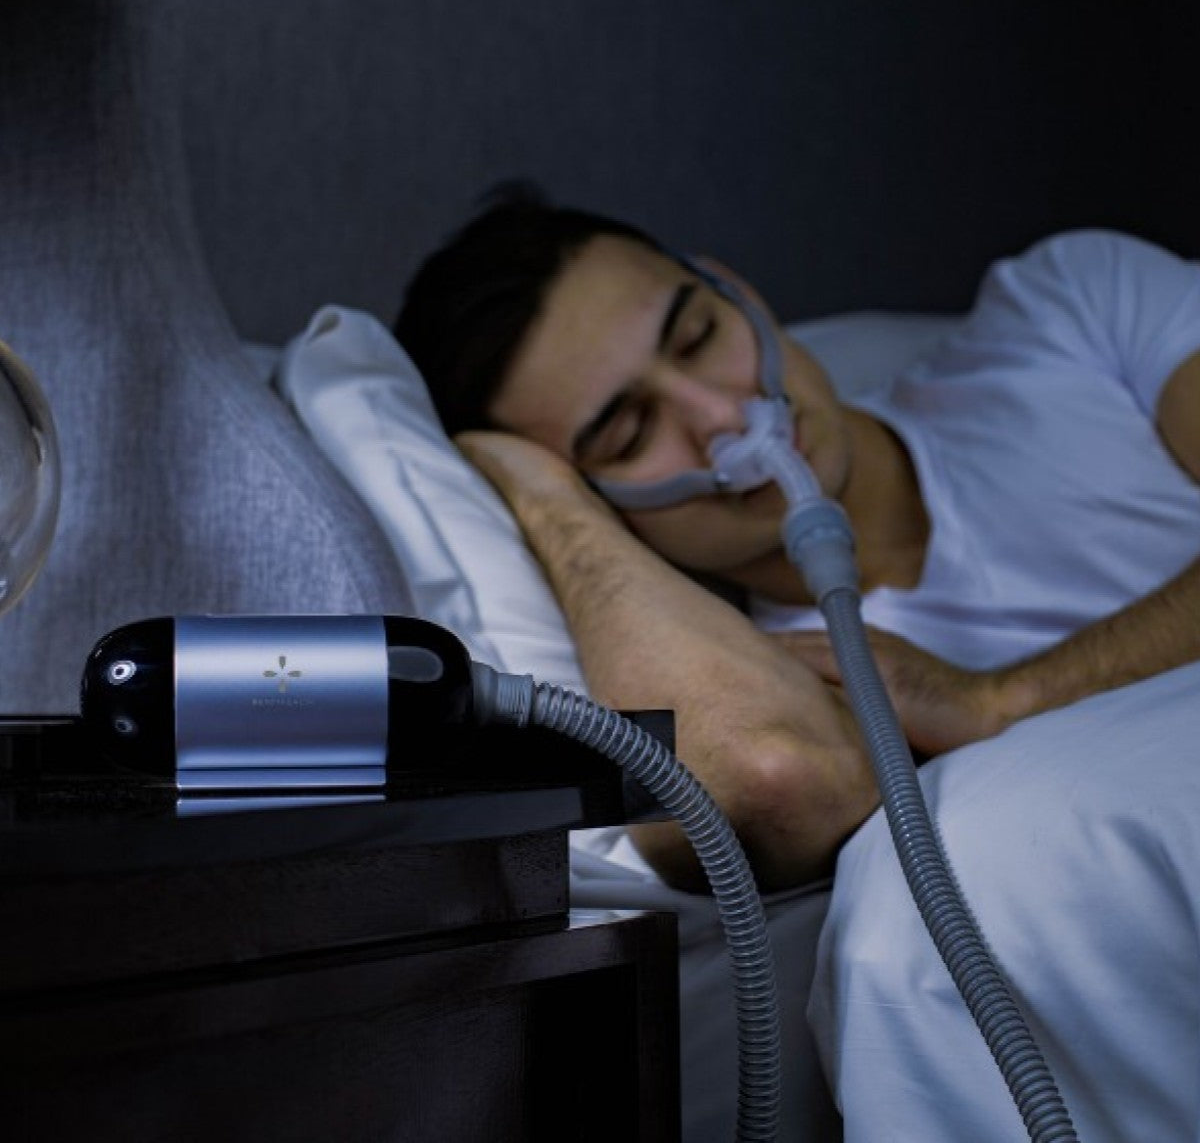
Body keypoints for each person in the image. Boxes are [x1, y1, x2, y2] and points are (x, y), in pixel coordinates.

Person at [395, 188, 1200, 896]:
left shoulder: (1075, 309)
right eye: (630, 432)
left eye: (700, 335)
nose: (724, 417)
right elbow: (767, 785)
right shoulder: (787, 685)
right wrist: (544, 503)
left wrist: (1004, 701)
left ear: (737, 291)